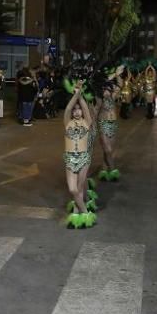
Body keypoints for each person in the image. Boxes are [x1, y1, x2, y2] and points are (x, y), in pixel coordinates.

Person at [63, 81, 95, 229]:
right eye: (74, 110)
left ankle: (76, 214)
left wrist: (80, 95)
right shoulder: (67, 122)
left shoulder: (87, 122)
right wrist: (75, 94)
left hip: (83, 159)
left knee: (80, 188)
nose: (76, 112)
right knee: (73, 189)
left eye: (79, 110)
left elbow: (86, 110)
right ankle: (85, 213)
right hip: (70, 158)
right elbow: (68, 107)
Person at [96, 66, 124, 182]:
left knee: (108, 149)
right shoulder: (99, 99)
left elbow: (121, 85)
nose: (107, 91)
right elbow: (95, 111)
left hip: (112, 125)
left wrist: (117, 75)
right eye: (105, 89)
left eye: (109, 89)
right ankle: (113, 169)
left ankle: (103, 169)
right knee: (107, 149)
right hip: (103, 124)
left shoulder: (113, 97)